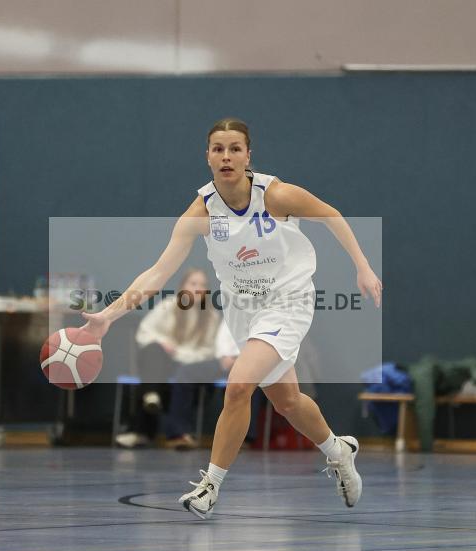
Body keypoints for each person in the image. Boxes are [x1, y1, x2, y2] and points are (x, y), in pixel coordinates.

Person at [82, 118, 382, 519]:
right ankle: (338, 450)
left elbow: (331, 214)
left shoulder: (275, 195)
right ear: (207, 157)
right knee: (288, 401)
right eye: (218, 149)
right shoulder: (200, 211)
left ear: (248, 156)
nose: (226, 156)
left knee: (238, 387)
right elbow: (158, 272)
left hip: (287, 301)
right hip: (242, 309)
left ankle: (210, 486)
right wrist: (106, 316)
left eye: (235, 148)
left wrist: (362, 265)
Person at [115, 267, 221, 449]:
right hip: (163, 361)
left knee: (165, 378)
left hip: (191, 365)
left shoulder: (211, 316)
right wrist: (163, 343)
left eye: (203, 285)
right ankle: (151, 399)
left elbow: (210, 351)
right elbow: (145, 332)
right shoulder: (168, 306)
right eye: (193, 283)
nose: (198, 288)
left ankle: (143, 430)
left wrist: (181, 354)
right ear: (182, 286)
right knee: (153, 352)